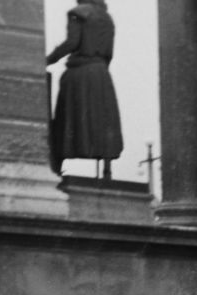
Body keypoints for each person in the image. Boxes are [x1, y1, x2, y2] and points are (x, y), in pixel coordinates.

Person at [47, 1, 124, 176]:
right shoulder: (107, 18)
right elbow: (109, 52)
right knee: (103, 120)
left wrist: (48, 59)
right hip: (101, 73)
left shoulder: (77, 13)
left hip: (80, 73)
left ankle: (56, 167)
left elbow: (72, 43)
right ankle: (107, 169)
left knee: (66, 121)